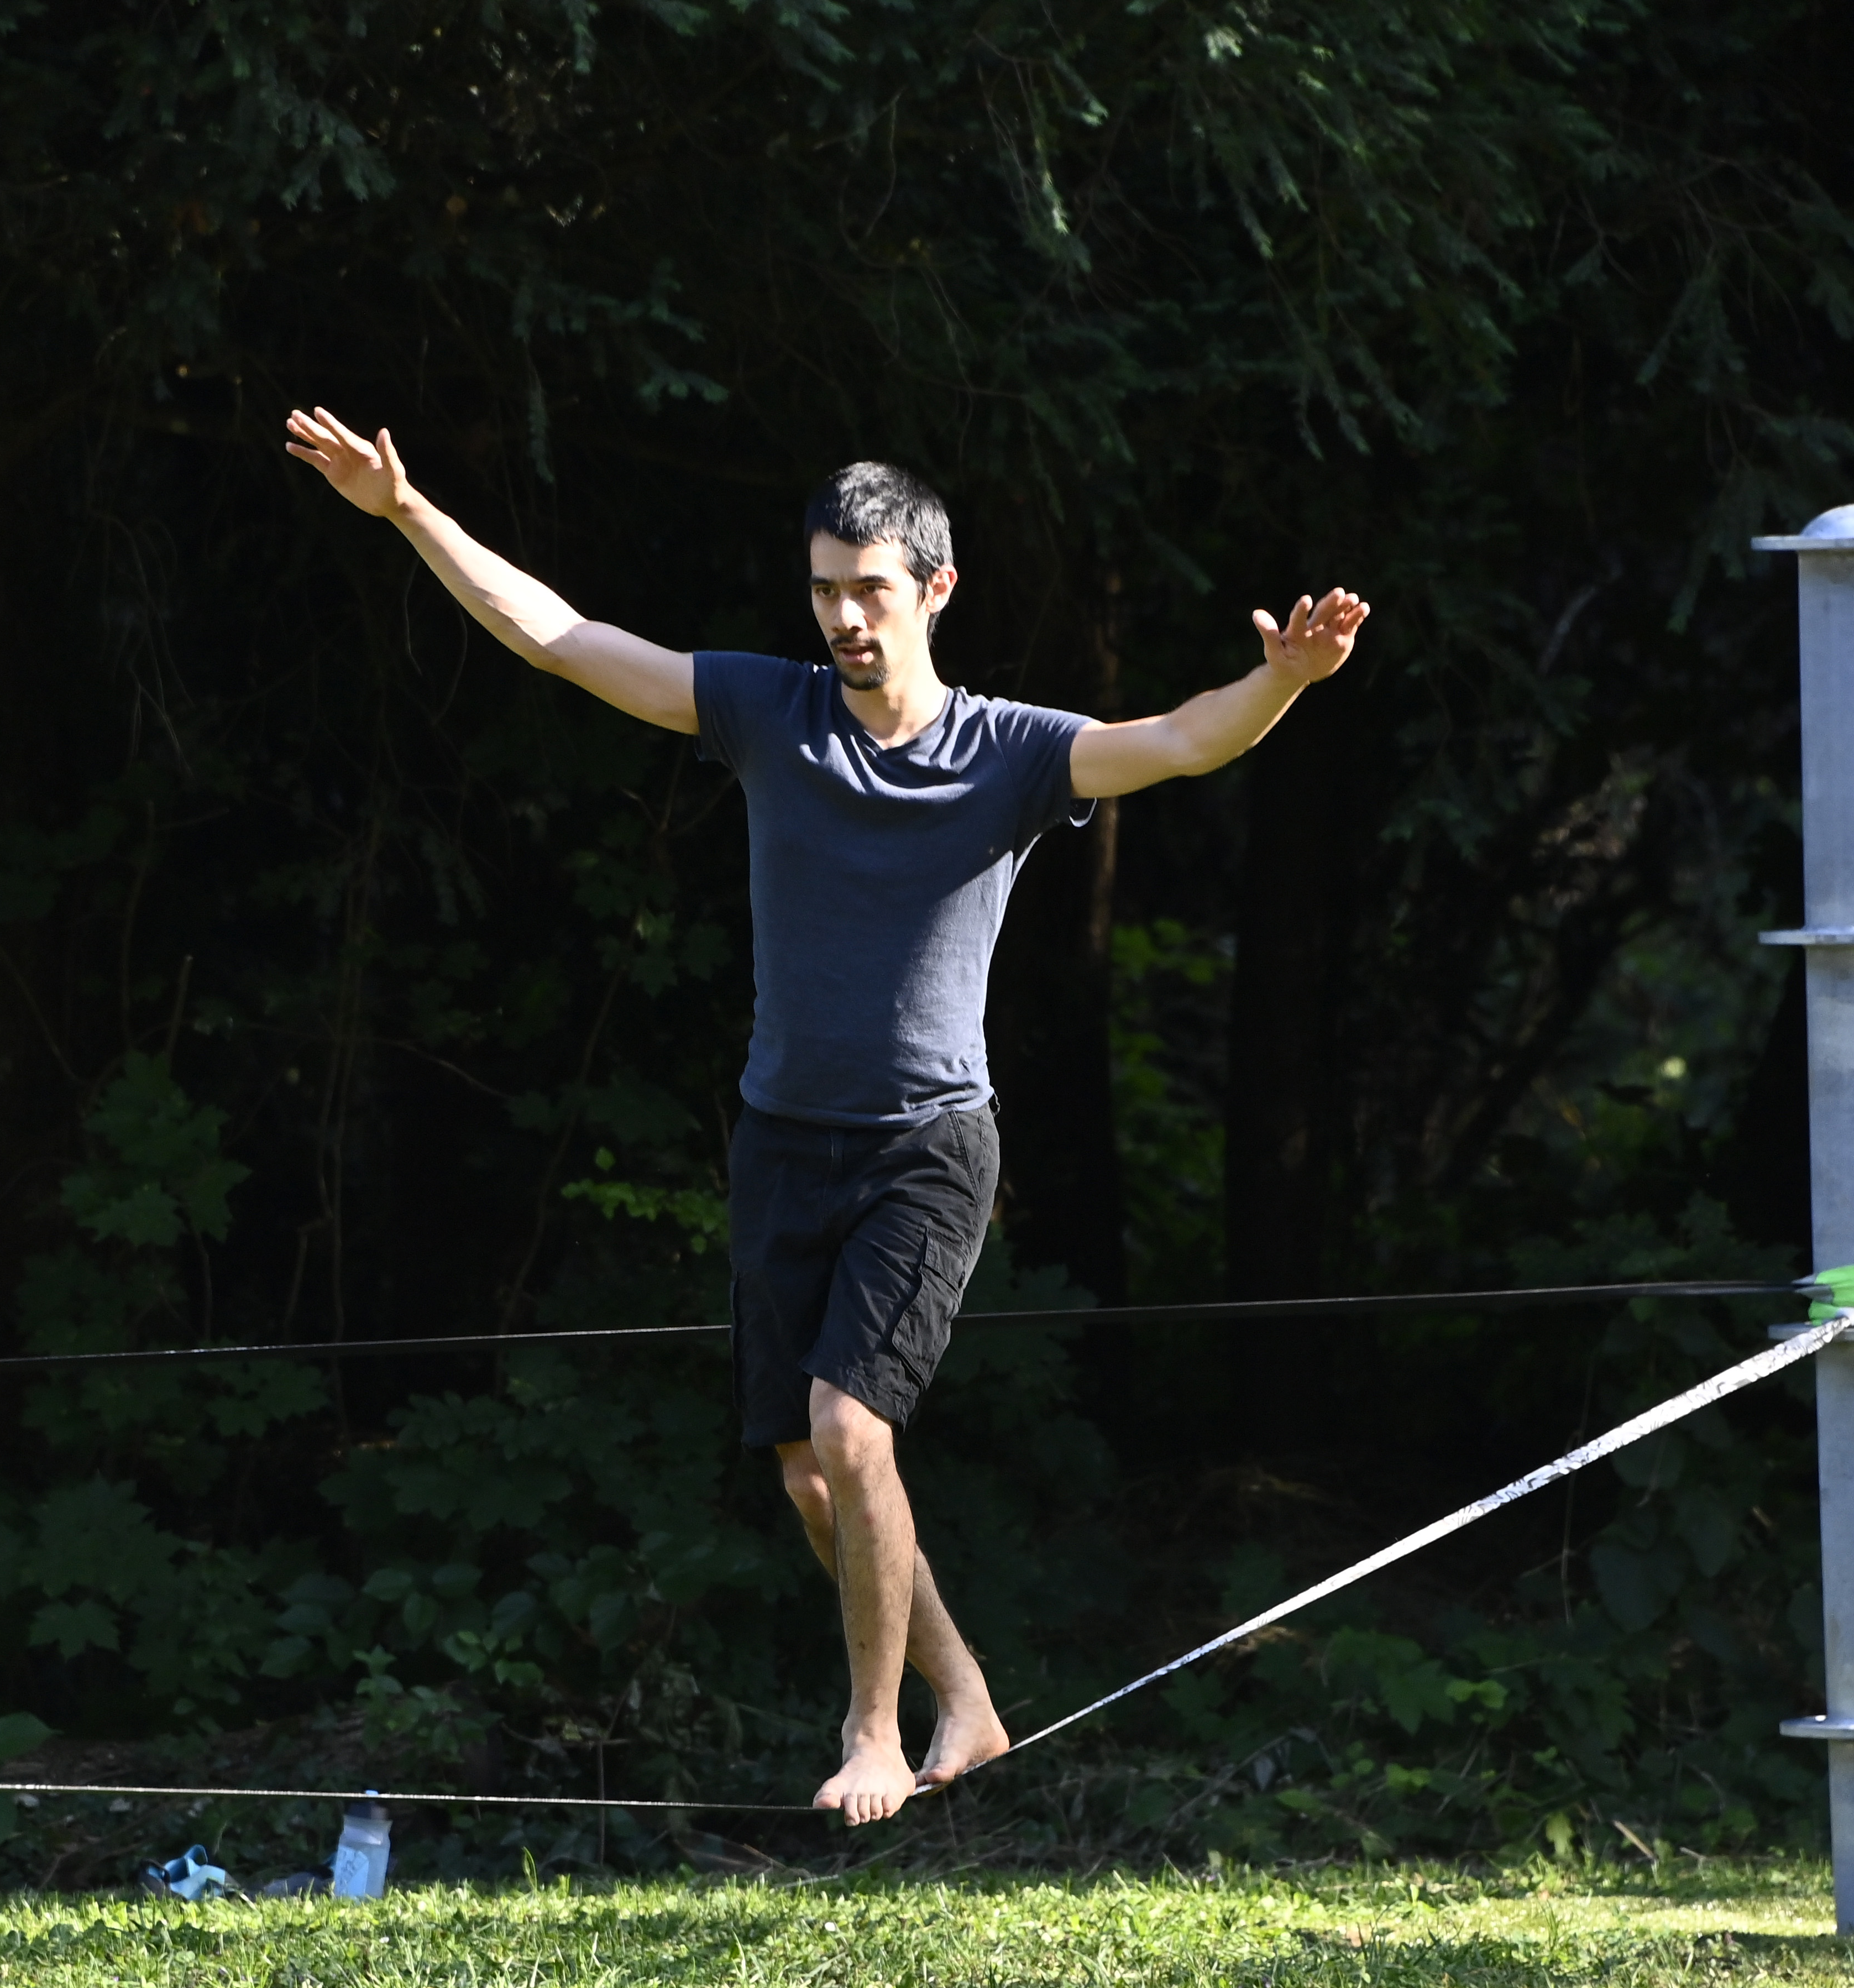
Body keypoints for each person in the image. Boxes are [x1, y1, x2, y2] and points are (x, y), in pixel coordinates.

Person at [282, 407, 1368, 1824]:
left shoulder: (1013, 752)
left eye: (871, 588)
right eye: (824, 589)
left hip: (928, 1144)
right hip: (781, 1135)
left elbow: (1175, 741)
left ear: (936, 588)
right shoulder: (768, 712)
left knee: (853, 1433)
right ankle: (968, 1699)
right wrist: (408, 511)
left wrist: (1279, 680)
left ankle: (872, 1732)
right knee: (809, 1479)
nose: (846, 616)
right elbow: (560, 637)